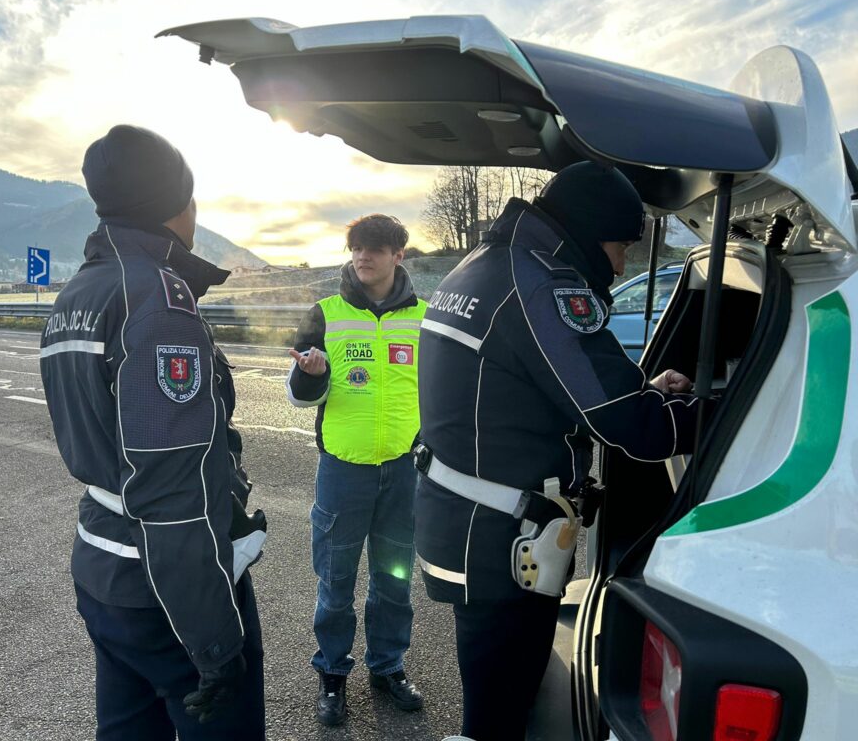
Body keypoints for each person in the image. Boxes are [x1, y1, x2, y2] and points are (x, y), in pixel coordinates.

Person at [414, 162, 698, 741]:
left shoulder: (487, 264)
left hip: (467, 521)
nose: (620, 265)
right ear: (593, 230)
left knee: (497, 701)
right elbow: (628, 426)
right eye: (620, 247)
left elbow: (533, 385)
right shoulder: (542, 282)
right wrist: (727, 415)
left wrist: (643, 389)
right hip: (499, 539)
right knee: (501, 715)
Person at [40, 124, 267, 740]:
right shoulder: (158, 303)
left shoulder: (77, 292)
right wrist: (217, 644)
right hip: (166, 591)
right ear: (177, 204)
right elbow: (174, 496)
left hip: (102, 568)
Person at [286, 214, 428, 727]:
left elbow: (437, 391)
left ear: (398, 255)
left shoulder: (425, 318)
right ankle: (332, 675)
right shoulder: (325, 313)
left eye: (374, 248)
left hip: (402, 471)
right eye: (355, 248)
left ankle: (387, 667)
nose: (362, 257)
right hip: (344, 473)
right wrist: (312, 376)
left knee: (394, 579)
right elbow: (299, 396)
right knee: (336, 579)